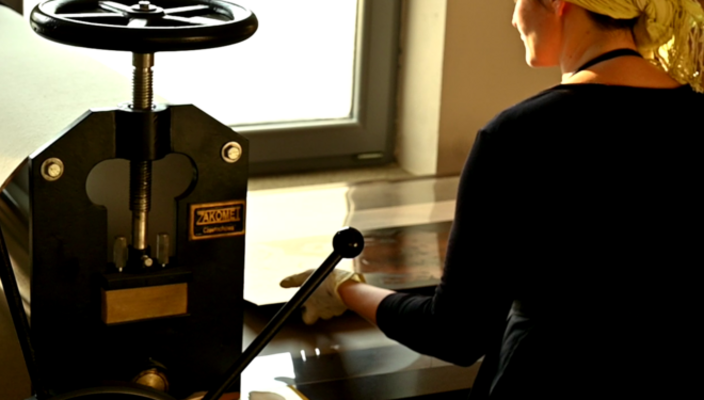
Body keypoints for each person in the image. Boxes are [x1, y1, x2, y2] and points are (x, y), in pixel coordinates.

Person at [280, 0, 704, 398]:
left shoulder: (519, 134)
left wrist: (342, 287)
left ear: (559, 4)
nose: (515, 18)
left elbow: (455, 334)